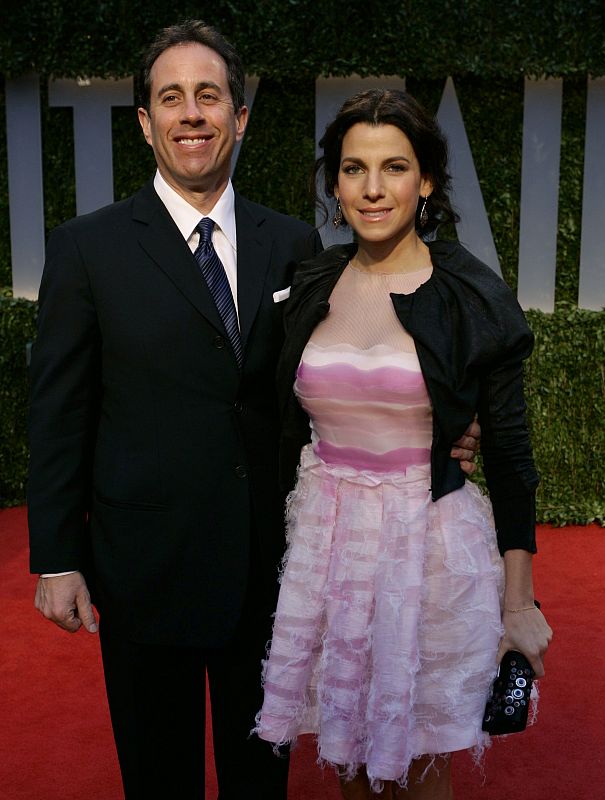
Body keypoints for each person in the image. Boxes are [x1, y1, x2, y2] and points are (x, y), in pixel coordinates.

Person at [27, 23, 479, 799]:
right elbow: (59, 413)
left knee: (257, 781)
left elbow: (340, 371)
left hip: (267, 567)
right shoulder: (86, 249)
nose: (192, 113)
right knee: (157, 776)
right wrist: (58, 558)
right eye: (172, 98)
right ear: (145, 122)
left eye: (211, 96)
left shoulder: (294, 242)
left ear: (241, 116)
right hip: (145, 566)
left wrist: (443, 431)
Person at [254, 89, 553, 799]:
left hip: (429, 551)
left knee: (420, 768)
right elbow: (279, 416)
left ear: (425, 181)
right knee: (347, 760)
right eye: (354, 169)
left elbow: (511, 457)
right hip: (327, 551)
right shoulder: (312, 280)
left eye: (394, 168)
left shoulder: (470, 295)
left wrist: (519, 602)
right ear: (335, 183)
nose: (373, 188)